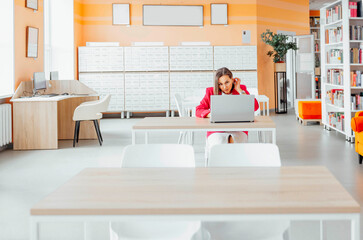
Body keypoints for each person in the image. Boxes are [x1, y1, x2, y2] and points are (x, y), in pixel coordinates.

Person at [196, 67, 259, 157]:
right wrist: (211, 114)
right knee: (219, 143)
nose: (224, 87)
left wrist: (239, 90)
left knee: (236, 144)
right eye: (220, 84)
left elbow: (255, 107)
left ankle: (234, 168)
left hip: (238, 128)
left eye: (227, 82)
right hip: (217, 130)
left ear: (232, 80)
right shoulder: (211, 91)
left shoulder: (241, 89)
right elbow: (199, 110)